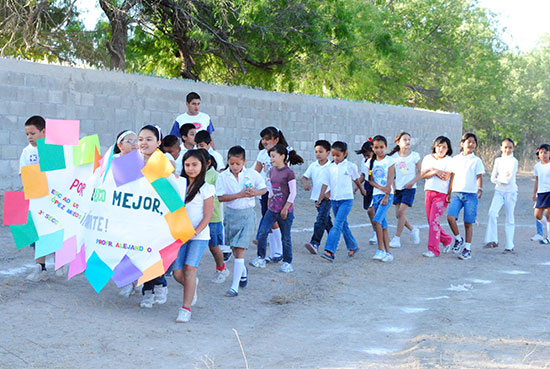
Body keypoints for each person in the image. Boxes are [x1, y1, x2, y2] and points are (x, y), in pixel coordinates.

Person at [216, 146, 267, 296]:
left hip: (247, 215)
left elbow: (264, 189)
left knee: (240, 249)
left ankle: (234, 286)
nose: (235, 167)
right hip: (231, 214)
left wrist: (255, 193)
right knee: (234, 248)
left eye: (238, 163)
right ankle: (243, 273)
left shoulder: (252, 174)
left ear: (244, 162)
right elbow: (220, 197)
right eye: (232, 164)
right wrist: (239, 195)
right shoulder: (223, 176)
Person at [173, 149, 214, 323]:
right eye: (187, 165)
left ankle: (185, 308)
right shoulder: (179, 184)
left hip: (199, 236)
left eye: (194, 165)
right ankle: (192, 287)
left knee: (190, 269)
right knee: (177, 273)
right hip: (180, 235)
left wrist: (195, 231)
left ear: (202, 166)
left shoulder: (207, 188)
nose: (190, 168)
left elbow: (207, 215)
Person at [250, 144, 303, 272]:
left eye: (273, 156)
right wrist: (269, 201)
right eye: (270, 157)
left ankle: (287, 262)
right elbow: (272, 188)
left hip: (285, 210)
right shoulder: (271, 170)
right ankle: (261, 258)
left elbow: (293, 193)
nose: (271, 159)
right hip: (272, 208)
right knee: (262, 232)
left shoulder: (289, 173)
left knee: (286, 237)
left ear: (282, 156)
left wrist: (285, 208)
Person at [137, 124, 171, 308]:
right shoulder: (133, 161)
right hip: (138, 218)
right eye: (141, 139)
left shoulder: (164, 162)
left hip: (157, 219)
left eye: (149, 139)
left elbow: (171, 193)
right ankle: (149, 290)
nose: (144, 143)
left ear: (158, 142)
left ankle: (158, 285)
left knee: (153, 254)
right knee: (141, 255)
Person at [319, 141, 366, 262]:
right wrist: (320, 198)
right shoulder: (329, 167)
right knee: (343, 224)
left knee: (337, 224)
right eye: (333, 155)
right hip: (334, 200)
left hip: (346, 200)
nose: (335, 158)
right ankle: (353, 246)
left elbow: (356, 179)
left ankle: (330, 251)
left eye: (338, 155)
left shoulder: (350, 166)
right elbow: (325, 183)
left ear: (345, 154)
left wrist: (361, 190)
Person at [254, 127, 294, 262]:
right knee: (270, 221)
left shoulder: (284, 153)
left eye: (267, 139)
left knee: (276, 222)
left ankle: (279, 252)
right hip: (266, 191)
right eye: (263, 139)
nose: (264, 141)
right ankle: (277, 252)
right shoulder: (262, 154)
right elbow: (256, 171)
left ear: (276, 140)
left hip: (280, 193)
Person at [447, 132, 485, 260]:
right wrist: (449, 192)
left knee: (468, 222)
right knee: (450, 218)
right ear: (462, 144)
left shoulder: (476, 160)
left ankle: (467, 248)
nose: (471, 144)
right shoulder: (455, 159)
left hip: (471, 195)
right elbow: (452, 176)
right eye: (468, 142)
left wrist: (479, 189)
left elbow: (479, 176)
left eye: (473, 142)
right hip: (456, 193)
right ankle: (458, 238)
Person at [21, 115, 48, 282]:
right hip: (36, 198)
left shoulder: (53, 149)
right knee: (37, 232)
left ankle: (64, 260)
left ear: (43, 131)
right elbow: (23, 174)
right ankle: (41, 266)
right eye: (27, 134)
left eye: (33, 133)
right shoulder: (26, 152)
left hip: (53, 199)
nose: (30, 137)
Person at [420, 136, 454, 257]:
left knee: (434, 221)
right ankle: (446, 239)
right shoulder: (428, 158)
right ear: (435, 146)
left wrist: (449, 193)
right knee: (431, 221)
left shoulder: (449, 160)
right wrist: (434, 171)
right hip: (429, 192)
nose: (441, 149)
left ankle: (433, 249)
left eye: (444, 147)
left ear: (448, 149)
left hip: (441, 194)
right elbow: (423, 174)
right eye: (439, 146)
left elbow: (446, 177)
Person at [484, 138, 518, 253]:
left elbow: (508, 180)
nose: (507, 149)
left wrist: (499, 178)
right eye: (505, 147)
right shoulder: (498, 160)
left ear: (513, 148)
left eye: (510, 147)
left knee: (509, 218)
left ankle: (509, 245)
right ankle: (493, 240)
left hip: (510, 192)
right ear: (501, 148)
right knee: (492, 213)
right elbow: (492, 178)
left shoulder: (514, 161)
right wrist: (500, 179)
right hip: (498, 191)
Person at [388, 132, 421, 248]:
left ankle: (397, 238)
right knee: (398, 215)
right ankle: (413, 229)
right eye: (405, 139)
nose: (407, 142)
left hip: (410, 189)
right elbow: (391, 174)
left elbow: (421, 172)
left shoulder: (415, 156)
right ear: (398, 142)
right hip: (398, 188)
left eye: (409, 139)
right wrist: (393, 186)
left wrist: (412, 182)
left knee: (401, 212)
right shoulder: (393, 158)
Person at [202, 150, 230, 283]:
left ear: (208, 162)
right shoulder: (195, 174)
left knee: (213, 246)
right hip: (197, 217)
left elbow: (218, 196)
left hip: (212, 217)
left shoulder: (215, 176)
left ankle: (221, 268)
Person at [302, 139, 332, 254]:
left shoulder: (331, 166)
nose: (318, 154)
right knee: (326, 220)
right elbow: (304, 177)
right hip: (316, 197)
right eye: (316, 151)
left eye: (320, 151)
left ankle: (315, 243)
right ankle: (334, 238)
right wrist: (306, 184)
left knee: (320, 220)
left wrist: (328, 194)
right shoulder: (313, 165)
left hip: (327, 197)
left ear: (328, 152)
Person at [368, 135, 396, 263]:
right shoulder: (371, 162)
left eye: (381, 147)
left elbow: (390, 180)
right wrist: (380, 188)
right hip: (376, 195)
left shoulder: (389, 161)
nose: (379, 150)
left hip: (387, 195)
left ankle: (380, 250)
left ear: (385, 147)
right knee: (383, 224)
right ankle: (388, 253)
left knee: (377, 221)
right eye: (376, 147)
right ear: (373, 148)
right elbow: (371, 180)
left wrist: (386, 194)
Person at [356, 140, 377, 245]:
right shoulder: (364, 162)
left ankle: (377, 232)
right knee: (370, 211)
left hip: (376, 187)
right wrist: (357, 188)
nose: (366, 157)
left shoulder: (377, 162)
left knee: (371, 210)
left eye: (368, 155)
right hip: (368, 186)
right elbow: (363, 176)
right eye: (364, 155)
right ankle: (376, 230)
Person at [533, 143, 550, 244]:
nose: (543, 154)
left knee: (548, 215)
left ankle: (548, 237)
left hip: (549, 192)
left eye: (546, 152)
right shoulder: (537, 166)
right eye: (541, 152)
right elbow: (536, 180)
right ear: (538, 154)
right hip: (540, 193)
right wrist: (534, 193)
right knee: (537, 215)